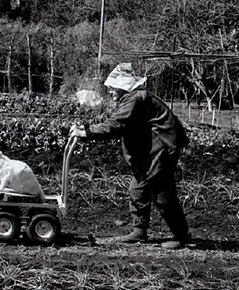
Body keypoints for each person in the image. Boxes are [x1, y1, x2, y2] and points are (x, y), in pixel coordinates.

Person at [70, 62, 190, 249]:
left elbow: (117, 125)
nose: (110, 91)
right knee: (137, 190)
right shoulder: (131, 98)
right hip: (152, 152)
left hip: (161, 149)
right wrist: (86, 126)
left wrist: (86, 133)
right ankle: (139, 232)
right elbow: (112, 118)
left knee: (161, 194)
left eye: (112, 88)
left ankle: (181, 235)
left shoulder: (136, 99)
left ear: (122, 86)